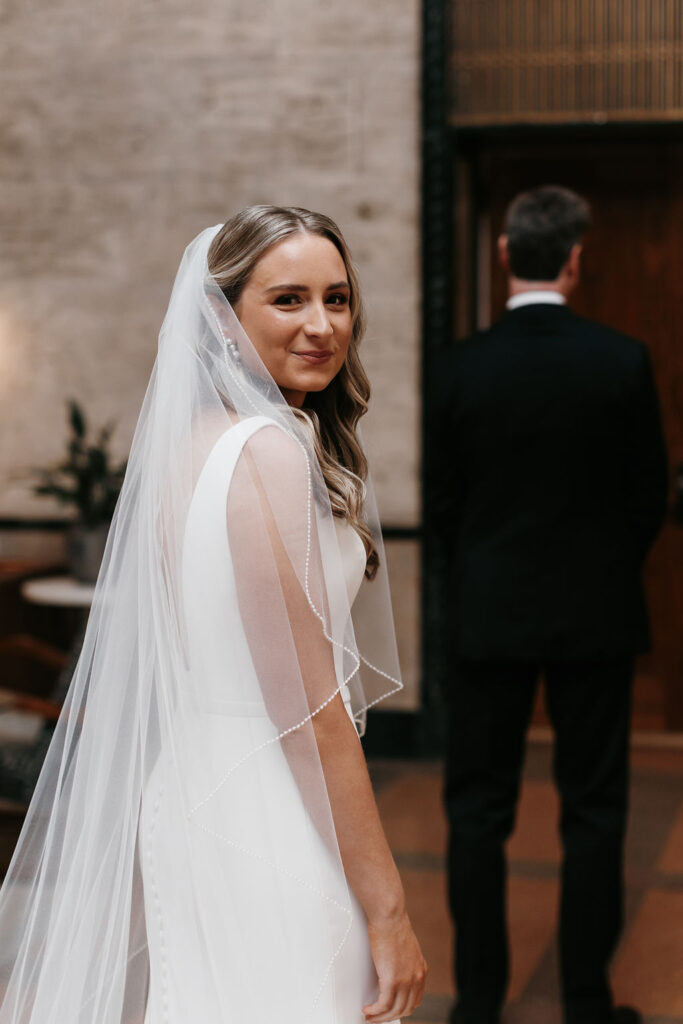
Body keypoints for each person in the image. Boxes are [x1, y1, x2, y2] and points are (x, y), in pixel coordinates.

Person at [0, 207, 427, 1023]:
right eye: (287, 299)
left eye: (336, 299)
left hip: (193, 793)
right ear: (223, 322)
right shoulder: (266, 454)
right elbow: (309, 717)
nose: (321, 325)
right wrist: (390, 909)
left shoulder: (190, 444)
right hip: (268, 811)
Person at [430, 186, 668, 1024]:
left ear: (503, 256)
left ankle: (479, 1004)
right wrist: (602, 568)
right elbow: (648, 498)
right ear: (573, 259)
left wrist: (482, 577)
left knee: (475, 812)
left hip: (486, 616)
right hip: (593, 617)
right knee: (595, 811)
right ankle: (586, 1000)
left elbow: (445, 506)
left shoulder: (457, 368)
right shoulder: (620, 360)